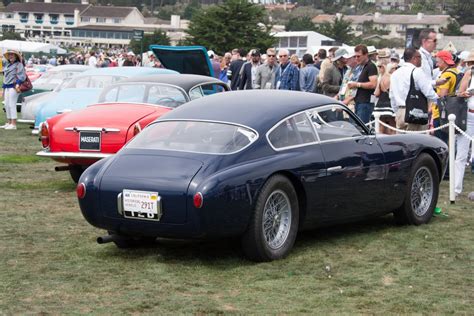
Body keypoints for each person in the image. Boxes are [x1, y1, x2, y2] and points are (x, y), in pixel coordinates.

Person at [389, 48, 439, 131]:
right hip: (415, 111)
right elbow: (428, 91)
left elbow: (392, 96)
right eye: (420, 57)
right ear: (414, 58)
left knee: (402, 142)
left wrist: (397, 112)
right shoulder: (417, 71)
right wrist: (439, 101)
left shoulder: (395, 74)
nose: (421, 60)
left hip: (400, 112)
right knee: (417, 141)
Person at [454, 50, 474, 196]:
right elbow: (459, 93)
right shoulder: (469, 73)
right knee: (461, 153)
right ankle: (456, 188)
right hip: (469, 115)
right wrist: (465, 93)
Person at [432, 51, 460, 143]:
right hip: (454, 110)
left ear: (444, 61)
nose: (436, 64)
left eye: (438, 62)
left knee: (440, 142)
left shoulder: (446, 74)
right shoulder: (457, 71)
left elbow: (442, 94)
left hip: (441, 113)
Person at [347, 44, 378, 123]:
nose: (356, 58)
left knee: (362, 128)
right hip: (358, 101)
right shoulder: (360, 67)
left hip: (365, 103)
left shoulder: (371, 66)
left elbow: (373, 84)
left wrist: (357, 84)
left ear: (366, 55)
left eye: (359, 56)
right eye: (355, 56)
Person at [1, 50, 26, 130]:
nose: (10, 56)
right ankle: (9, 123)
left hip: (14, 87)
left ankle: (13, 124)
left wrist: (18, 83)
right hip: (7, 87)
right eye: (9, 55)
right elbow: (5, 77)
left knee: (11, 105)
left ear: (16, 57)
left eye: (12, 55)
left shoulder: (19, 64)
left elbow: (22, 76)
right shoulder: (7, 65)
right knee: (6, 105)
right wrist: (3, 88)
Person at [373, 61, 396, 134]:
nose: (379, 69)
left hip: (381, 104)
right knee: (392, 126)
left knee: (381, 126)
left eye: (380, 67)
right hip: (389, 103)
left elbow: (376, 93)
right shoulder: (392, 77)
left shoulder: (380, 78)